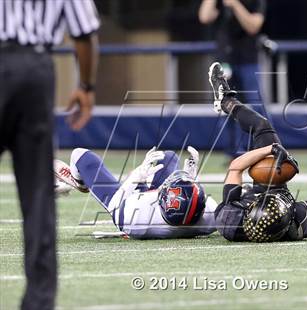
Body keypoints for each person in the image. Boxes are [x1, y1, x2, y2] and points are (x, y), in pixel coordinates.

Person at [0, 1, 99, 309]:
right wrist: (86, 85)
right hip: (34, 69)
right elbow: (84, 32)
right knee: (38, 195)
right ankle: (39, 301)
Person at [208, 62, 307, 242]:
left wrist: (270, 149)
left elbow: (235, 168)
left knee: (261, 126)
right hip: (270, 193)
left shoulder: (230, 220)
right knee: (263, 129)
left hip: (244, 204)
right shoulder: (299, 220)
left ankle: (225, 100)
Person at [54, 146, 217, 239]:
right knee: (169, 157)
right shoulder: (210, 216)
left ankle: (79, 181)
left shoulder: (136, 220)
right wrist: (190, 179)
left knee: (80, 155)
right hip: (156, 209)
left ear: (159, 198)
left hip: (125, 201)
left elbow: (115, 205)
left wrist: (135, 177)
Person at [199, 0, 266, 156]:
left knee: (255, 104)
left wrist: (235, 4)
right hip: (225, 59)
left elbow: (253, 26)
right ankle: (233, 152)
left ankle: (263, 147)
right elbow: (204, 17)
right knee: (226, 106)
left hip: (248, 59)